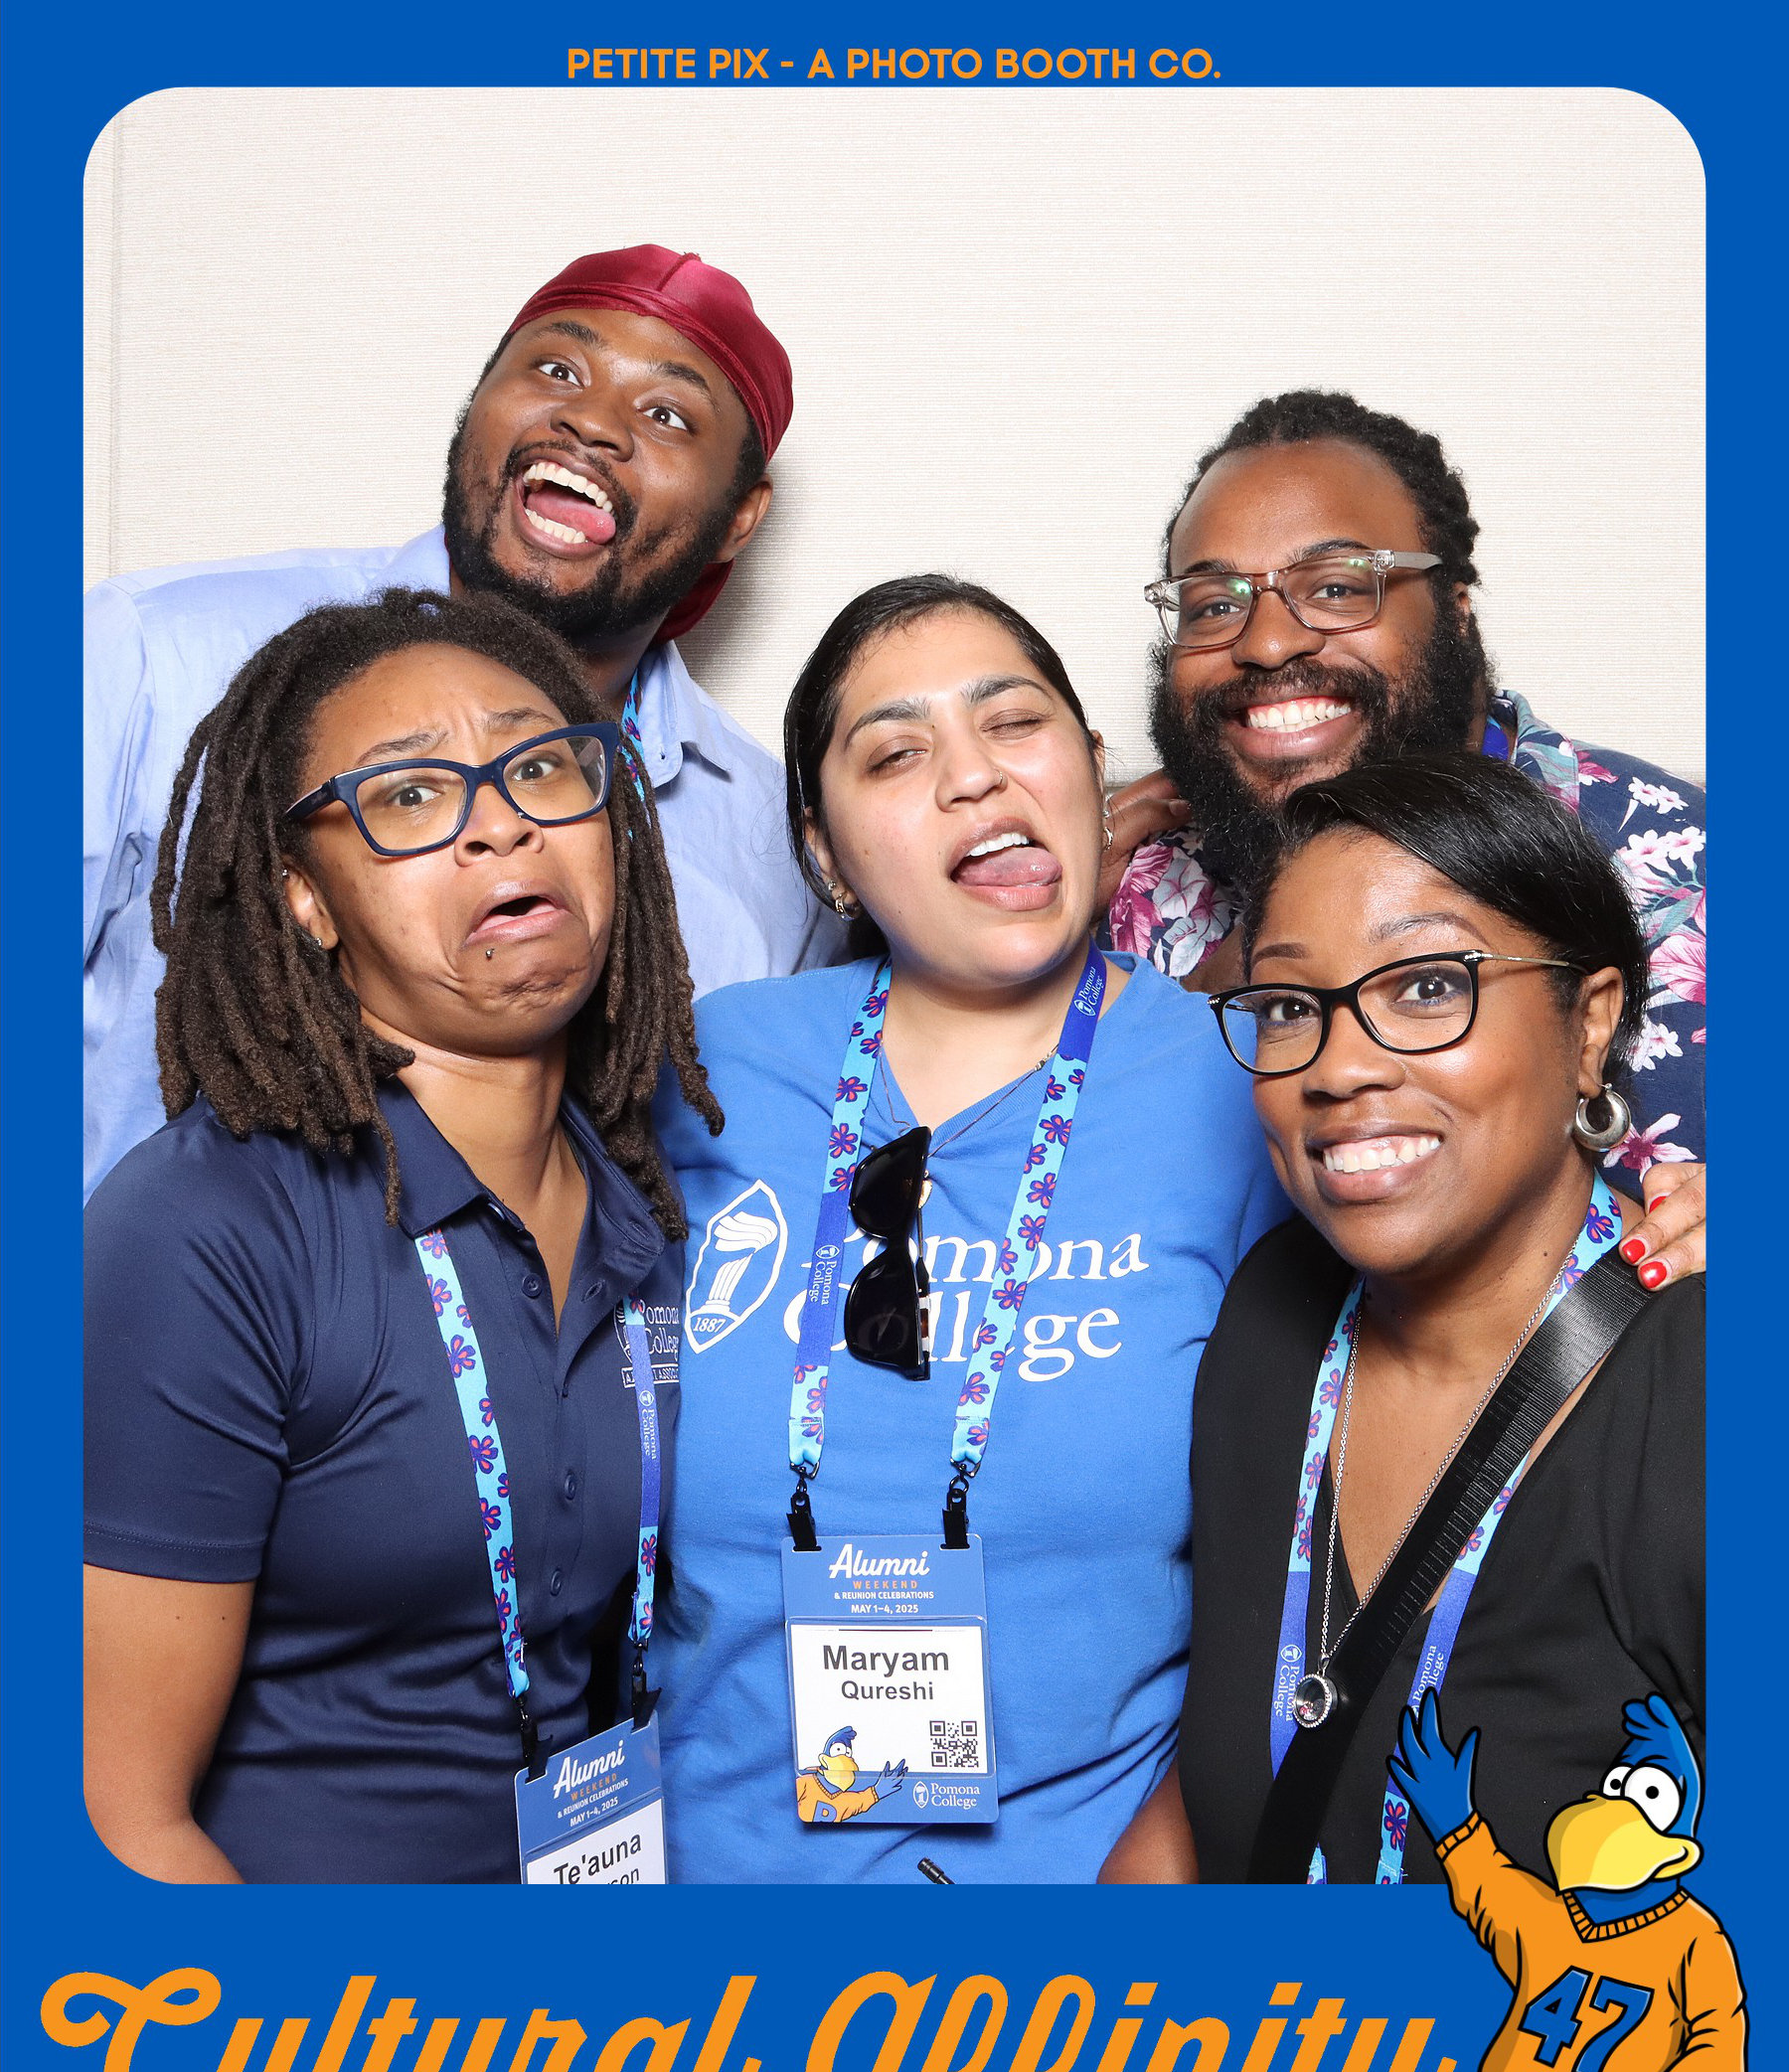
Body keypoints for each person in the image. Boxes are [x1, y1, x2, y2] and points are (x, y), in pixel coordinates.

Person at [652, 575, 1285, 1884]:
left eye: (1013, 723)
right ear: (824, 855)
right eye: (895, 753)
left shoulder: (1244, 1082)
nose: (974, 776)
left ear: (1092, 773)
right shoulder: (708, 1072)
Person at [82, 587, 719, 1884]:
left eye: (541, 768)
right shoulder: (202, 1235)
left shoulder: (651, 1212)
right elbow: (118, 1824)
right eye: (411, 794)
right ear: (306, 901)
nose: (501, 822)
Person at [84, 242, 841, 1199]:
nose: (592, 421)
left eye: (666, 415)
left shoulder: (777, 845)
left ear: (740, 519)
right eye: (556, 368)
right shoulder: (151, 652)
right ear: (477, 403)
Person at [1103, 753, 1702, 1886]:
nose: (1338, 1068)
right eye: (1290, 1007)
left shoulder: (1705, 1404)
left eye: (1427, 987)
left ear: (1589, 1026)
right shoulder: (1272, 1321)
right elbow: (1226, 1774)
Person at [1102, 390, 1705, 1277]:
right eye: (1213, 604)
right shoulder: (1132, 894)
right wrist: (1041, 939)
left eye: (1336, 587)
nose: (1266, 644)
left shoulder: (1690, 874)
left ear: (1457, 608)